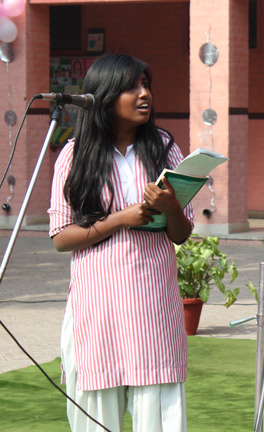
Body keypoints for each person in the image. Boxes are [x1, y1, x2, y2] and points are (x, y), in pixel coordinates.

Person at [48, 53, 193, 432]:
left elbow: (181, 233)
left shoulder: (164, 148)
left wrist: (170, 206)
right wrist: (120, 219)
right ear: (105, 95)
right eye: (132, 87)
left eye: (146, 85)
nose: (144, 94)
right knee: (96, 417)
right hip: (98, 312)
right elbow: (62, 237)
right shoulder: (74, 154)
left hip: (154, 309)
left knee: (159, 417)